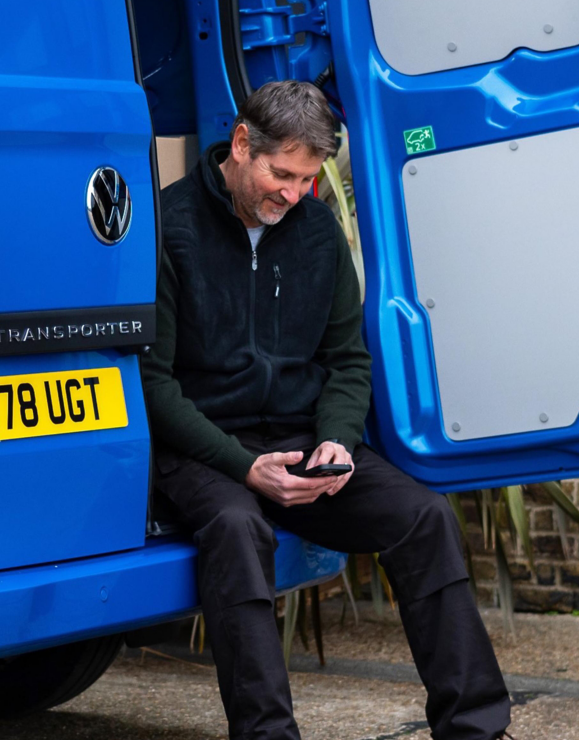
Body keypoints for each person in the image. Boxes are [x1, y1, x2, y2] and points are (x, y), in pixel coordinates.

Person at [142, 80, 513, 740]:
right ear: (239, 145)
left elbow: (347, 361)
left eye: (307, 180)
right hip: (205, 446)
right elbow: (155, 386)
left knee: (423, 517)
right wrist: (246, 467)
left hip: (300, 437)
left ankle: (477, 729)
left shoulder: (316, 231)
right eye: (280, 174)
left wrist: (338, 440)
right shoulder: (169, 229)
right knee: (237, 529)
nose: (291, 195)